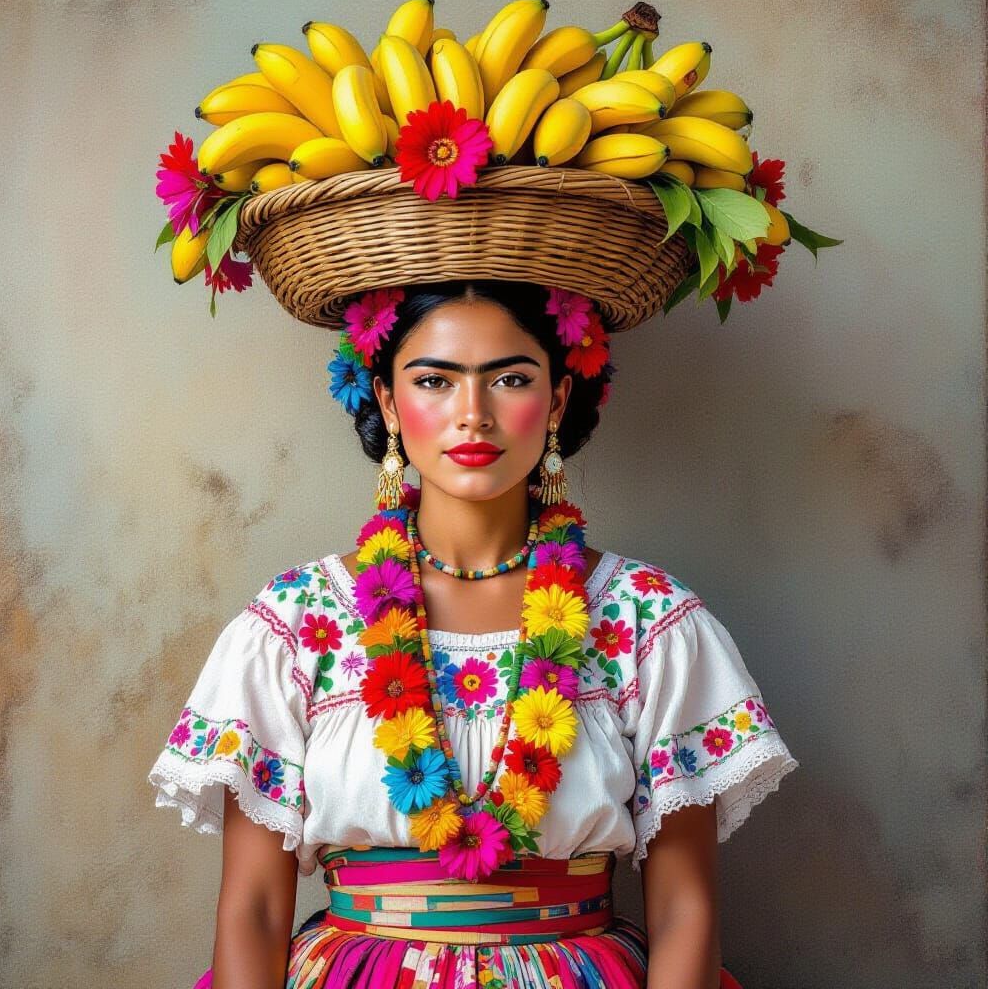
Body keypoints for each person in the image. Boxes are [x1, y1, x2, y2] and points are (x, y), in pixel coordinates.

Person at [147, 279, 799, 989]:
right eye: (435, 381)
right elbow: (254, 910)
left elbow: (685, 907)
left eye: (510, 380)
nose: (473, 416)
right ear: (390, 403)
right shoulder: (299, 623)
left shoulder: (645, 619)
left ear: (555, 400)